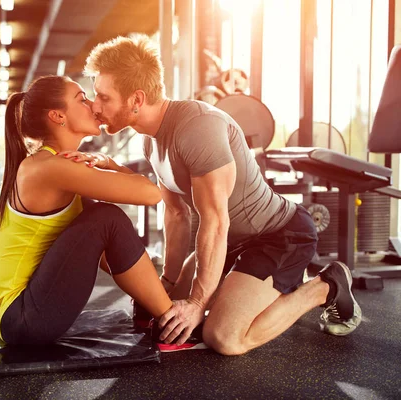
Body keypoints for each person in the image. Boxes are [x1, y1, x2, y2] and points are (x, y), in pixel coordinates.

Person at [83, 35, 361, 355]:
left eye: (103, 97)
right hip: (232, 241)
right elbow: (176, 215)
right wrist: (169, 282)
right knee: (161, 310)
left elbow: (214, 220)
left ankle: (325, 285)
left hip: (280, 235)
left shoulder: (196, 126)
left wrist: (198, 303)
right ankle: (257, 289)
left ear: (136, 98)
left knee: (225, 337)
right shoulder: (150, 140)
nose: (95, 105)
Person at [0, 75, 175, 345]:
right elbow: (151, 193)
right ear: (57, 116)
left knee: (101, 217)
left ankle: (154, 310)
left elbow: (109, 250)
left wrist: (147, 292)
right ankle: (173, 322)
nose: (93, 106)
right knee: (107, 218)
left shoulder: (53, 163)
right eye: (82, 99)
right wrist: (108, 163)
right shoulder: (50, 168)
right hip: (23, 319)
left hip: (21, 316)